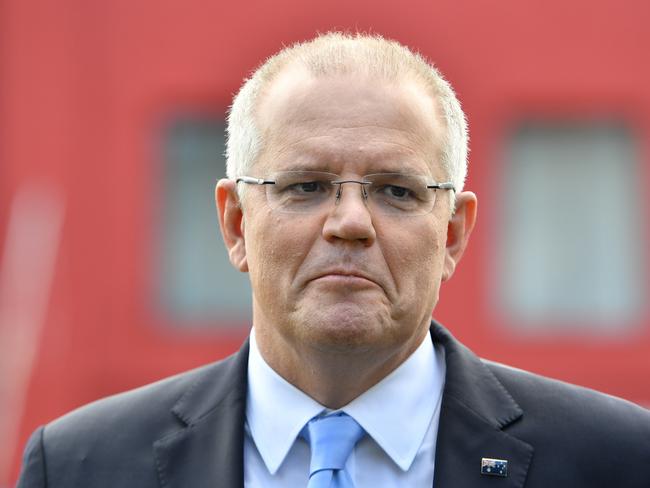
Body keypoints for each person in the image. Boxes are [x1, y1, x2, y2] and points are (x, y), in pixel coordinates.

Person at [17, 32, 650, 488]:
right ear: (237, 223)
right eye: (306, 186)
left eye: (397, 191)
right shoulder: (81, 466)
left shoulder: (618, 461)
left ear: (452, 234)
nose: (350, 223)